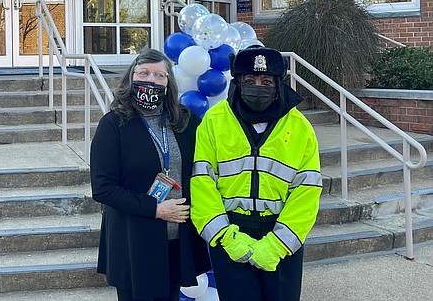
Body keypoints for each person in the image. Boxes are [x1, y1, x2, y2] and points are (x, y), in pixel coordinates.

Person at [190, 46, 322, 301]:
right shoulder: (214, 120)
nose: (257, 86)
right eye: (249, 81)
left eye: (266, 81)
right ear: (237, 82)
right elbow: (202, 183)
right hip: (231, 232)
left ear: (278, 83)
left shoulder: (299, 127)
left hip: (281, 235)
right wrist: (225, 237)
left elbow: (307, 191)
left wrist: (278, 244)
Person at [90, 48, 212, 301]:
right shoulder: (114, 124)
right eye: (144, 73)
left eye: (160, 75)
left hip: (177, 241)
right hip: (133, 240)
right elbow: (103, 188)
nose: (151, 80)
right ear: (131, 78)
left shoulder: (186, 121)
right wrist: (155, 209)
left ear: (169, 83)